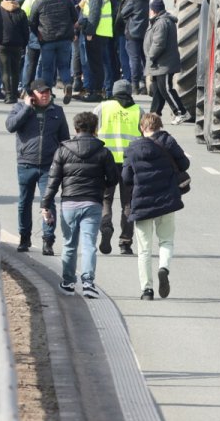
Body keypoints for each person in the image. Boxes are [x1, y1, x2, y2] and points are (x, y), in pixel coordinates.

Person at [42, 111, 117, 299]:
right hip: (93, 203)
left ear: (76, 129)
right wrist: (100, 185)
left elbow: (53, 180)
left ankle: (68, 282)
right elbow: (113, 178)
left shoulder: (63, 150)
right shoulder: (103, 151)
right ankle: (88, 283)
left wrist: (45, 205)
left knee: (69, 244)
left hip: (69, 203)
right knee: (89, 244)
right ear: (95, 129)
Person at [122, 111, 190, 300]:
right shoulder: (168, 141)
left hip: (142, 203)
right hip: (166, 200)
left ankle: (147, 290)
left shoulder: (133, 148)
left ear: (142, 128)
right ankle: (164, 268)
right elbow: (185, 164)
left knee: (144, 249)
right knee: (166, 240)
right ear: (160, 125)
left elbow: (126, 178)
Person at [7, 79, 69, 255]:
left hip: (49, 166)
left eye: (47, 92)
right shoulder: (19, 108)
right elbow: (11, 126)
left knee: (47, 203)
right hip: (26, 164)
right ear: (32, 94)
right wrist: (27, 108)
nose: (45, 95)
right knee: (24, 202)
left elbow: (64, 139)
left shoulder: (57, 111)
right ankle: (24, 237)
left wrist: (63, 162)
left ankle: (48, 240)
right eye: (41, 92)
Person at [94, 79, 141, 255]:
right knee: (128, 203)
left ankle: (106, 224)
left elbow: (91, 129)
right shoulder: (138, 111)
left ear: (113, 92)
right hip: (130, 163)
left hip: (106, 161)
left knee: (105, 199)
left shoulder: (102, 108)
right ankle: (125, 242)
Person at [143, 0, 188, 122]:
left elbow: (158, 44)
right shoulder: (159, 21)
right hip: (159, 63)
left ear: (154, 10)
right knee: (158, 90)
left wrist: (151, 56)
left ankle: (181, 112)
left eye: (151, 10)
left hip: (163, 63)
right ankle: (153, 115)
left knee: (166, 89)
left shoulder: (161, 23)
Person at [80, 0, 115, 99]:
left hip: (96, 33)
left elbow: (94, 15)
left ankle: (96, 92)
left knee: (95, 64)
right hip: (101, 32)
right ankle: (99, 91)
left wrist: (89, 32)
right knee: (100, 63)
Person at [0, 0, 29, 104]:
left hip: (2, 43)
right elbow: (26, 31)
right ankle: (14, 94)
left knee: (5, 70)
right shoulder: (21, 12)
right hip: (17, 44)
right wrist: (24, 44)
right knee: (15, 71)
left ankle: (8, 95)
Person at [118, 0, 150, 86]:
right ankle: (145, 82)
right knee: (144, 58)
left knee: (134, 59)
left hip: (132, 33)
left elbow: (123, 13)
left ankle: (135, 84)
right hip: (145, 33)